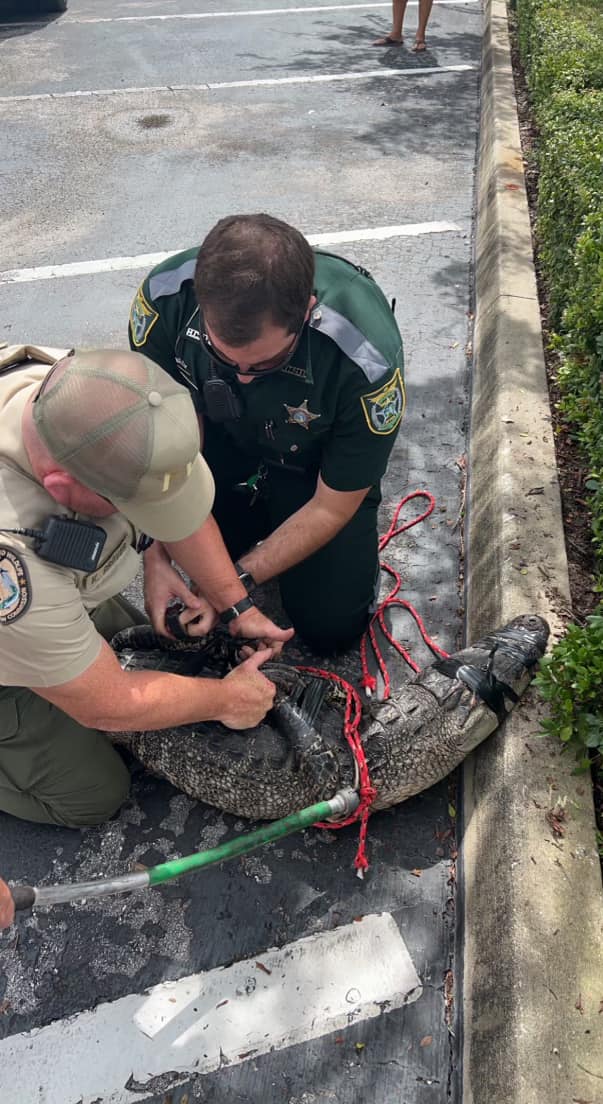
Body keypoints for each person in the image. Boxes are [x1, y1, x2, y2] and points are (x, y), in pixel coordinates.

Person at [0, 344, 293, 848]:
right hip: (13, 643)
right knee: (94, 792)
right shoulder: (13, 570)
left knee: (149, 658)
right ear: (59, 486)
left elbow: (171, 492)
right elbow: (106, 704)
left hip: (48, 609)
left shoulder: (85, 394)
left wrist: (237, 606)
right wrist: (226, 701)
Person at [129, 214, 405, 655]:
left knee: (331, 629)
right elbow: (167, 451)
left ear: (308, 309)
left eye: (264, 366)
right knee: (191, 557)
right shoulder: (164, 302)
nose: (244, 379)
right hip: (220, 447)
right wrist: (155, 556)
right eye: (224, 359)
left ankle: (286, 530)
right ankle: (250, 518)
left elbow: (331, 508)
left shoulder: (364, 362)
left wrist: (232, 588)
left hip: (312, 470)